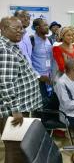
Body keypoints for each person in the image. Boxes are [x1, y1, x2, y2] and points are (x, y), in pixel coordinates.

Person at [0, 17, 42, 163]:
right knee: (14, 148)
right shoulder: (4, 49)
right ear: (4, 29)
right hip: (13, 111)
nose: (21, 31)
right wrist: (15, 110)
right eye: (16, 28)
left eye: (21, 28)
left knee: (20, 146)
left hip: (19, 107)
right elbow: (5, 83)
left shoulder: (11, 45)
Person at [31, 18, 53, 108]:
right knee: (41, 105)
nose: (48, 27)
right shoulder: (31, 40)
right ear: (37, 28)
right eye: (45, 25)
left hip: (50, 77)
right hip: (39, 79)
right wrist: (38, 76)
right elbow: (27, 61)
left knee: (50, 103)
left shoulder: (49, 40)